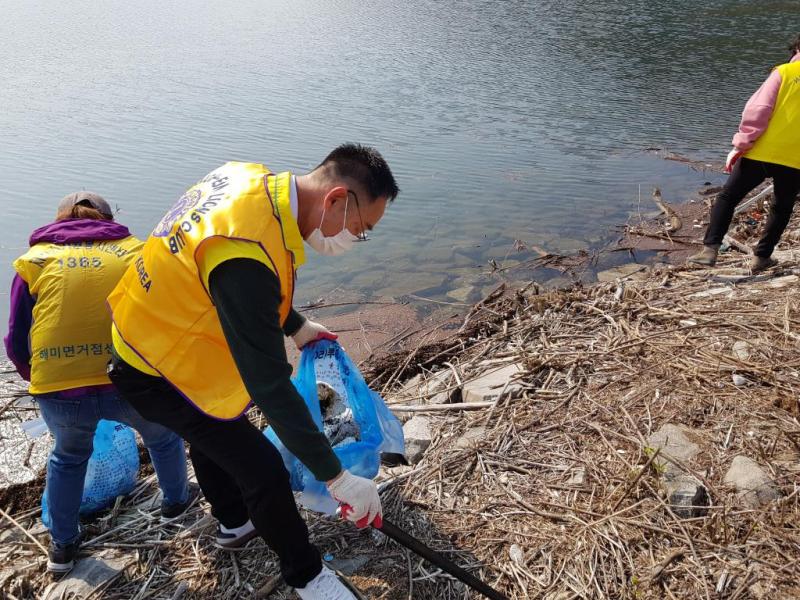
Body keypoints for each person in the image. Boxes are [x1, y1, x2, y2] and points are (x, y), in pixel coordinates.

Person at [106, 144, 398, 599]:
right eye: (360, 229)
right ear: (337, 198)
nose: (354, 239)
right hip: (154, 365)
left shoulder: (247, 181)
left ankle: (235, 523)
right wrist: (335, 477)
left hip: (157, 332)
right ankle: (308, 577)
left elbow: (238, 283)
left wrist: (296, 323)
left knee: (217, 427)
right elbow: (268, 383)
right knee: (261, 467)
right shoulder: (245, 247)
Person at [4, 192, 191, 574]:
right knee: (163, 438)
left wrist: (37, 378)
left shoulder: (34, 263)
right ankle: (175, 505)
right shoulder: (137, 252)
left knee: (68, 458)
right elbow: (166, 313)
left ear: (59, 223)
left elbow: (15, 337)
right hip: (130, 378)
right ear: (108, 219)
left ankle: (62, 547)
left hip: (61, 387)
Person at [689, 35, 800, 271]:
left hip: (762, 151)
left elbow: (758, 110)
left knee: (728, 197)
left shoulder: (785, 72)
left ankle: (710, 249)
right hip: (795, 159)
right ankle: (761, 257)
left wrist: (742, 143)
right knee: (781, 206)